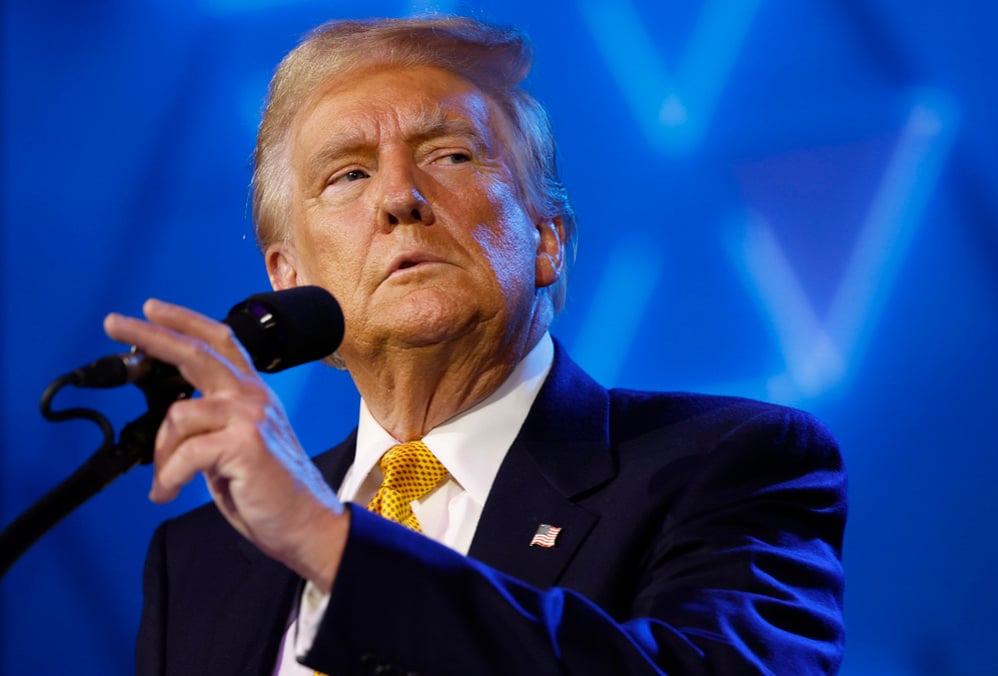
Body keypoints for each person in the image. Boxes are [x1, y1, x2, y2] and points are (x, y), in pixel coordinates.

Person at [106, 16, 847, 676]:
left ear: (546, 240)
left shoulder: (728, 464)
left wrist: (331, 546)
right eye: (349, 174)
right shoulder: (197, 563)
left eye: (452, 155)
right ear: (288, 279)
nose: (400, 198)